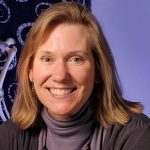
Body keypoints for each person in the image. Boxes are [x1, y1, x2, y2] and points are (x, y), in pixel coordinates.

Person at [0, 2, 150, 150]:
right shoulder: (9, 135)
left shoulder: (137, 135)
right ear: (30, 71)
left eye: (76, 59)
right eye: (47, 59)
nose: (60, 76)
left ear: (98, 70)